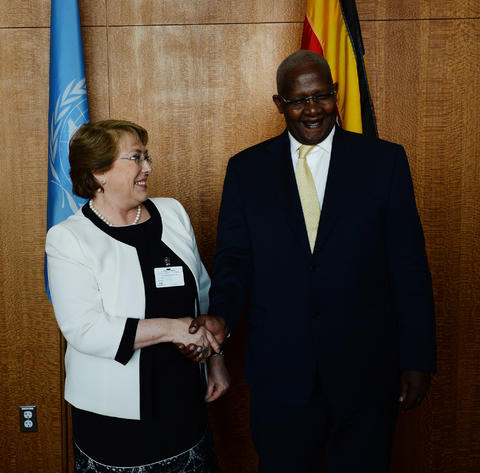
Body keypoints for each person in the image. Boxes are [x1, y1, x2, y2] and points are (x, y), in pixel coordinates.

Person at [184, 50, 436, 473]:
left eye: (322, 96)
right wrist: (221, 316)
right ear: (279, 104)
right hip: (280, 374)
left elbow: (409, 267)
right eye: (299, 100)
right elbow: (234, 262)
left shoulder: (384, 161)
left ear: (335, 94)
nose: (313, 109)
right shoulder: (246, 170)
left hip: (366, 372)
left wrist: (418, 359)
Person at [46, 119, 230, 473]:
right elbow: (84, 330)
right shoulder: (69, 238)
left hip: (184, 402)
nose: (148, 167)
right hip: (114, 417)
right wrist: (172, 328)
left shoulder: (172, 212)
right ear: (99, 172)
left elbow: (203, 293)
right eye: (135, 158)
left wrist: (215, 358)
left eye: (147, 157)